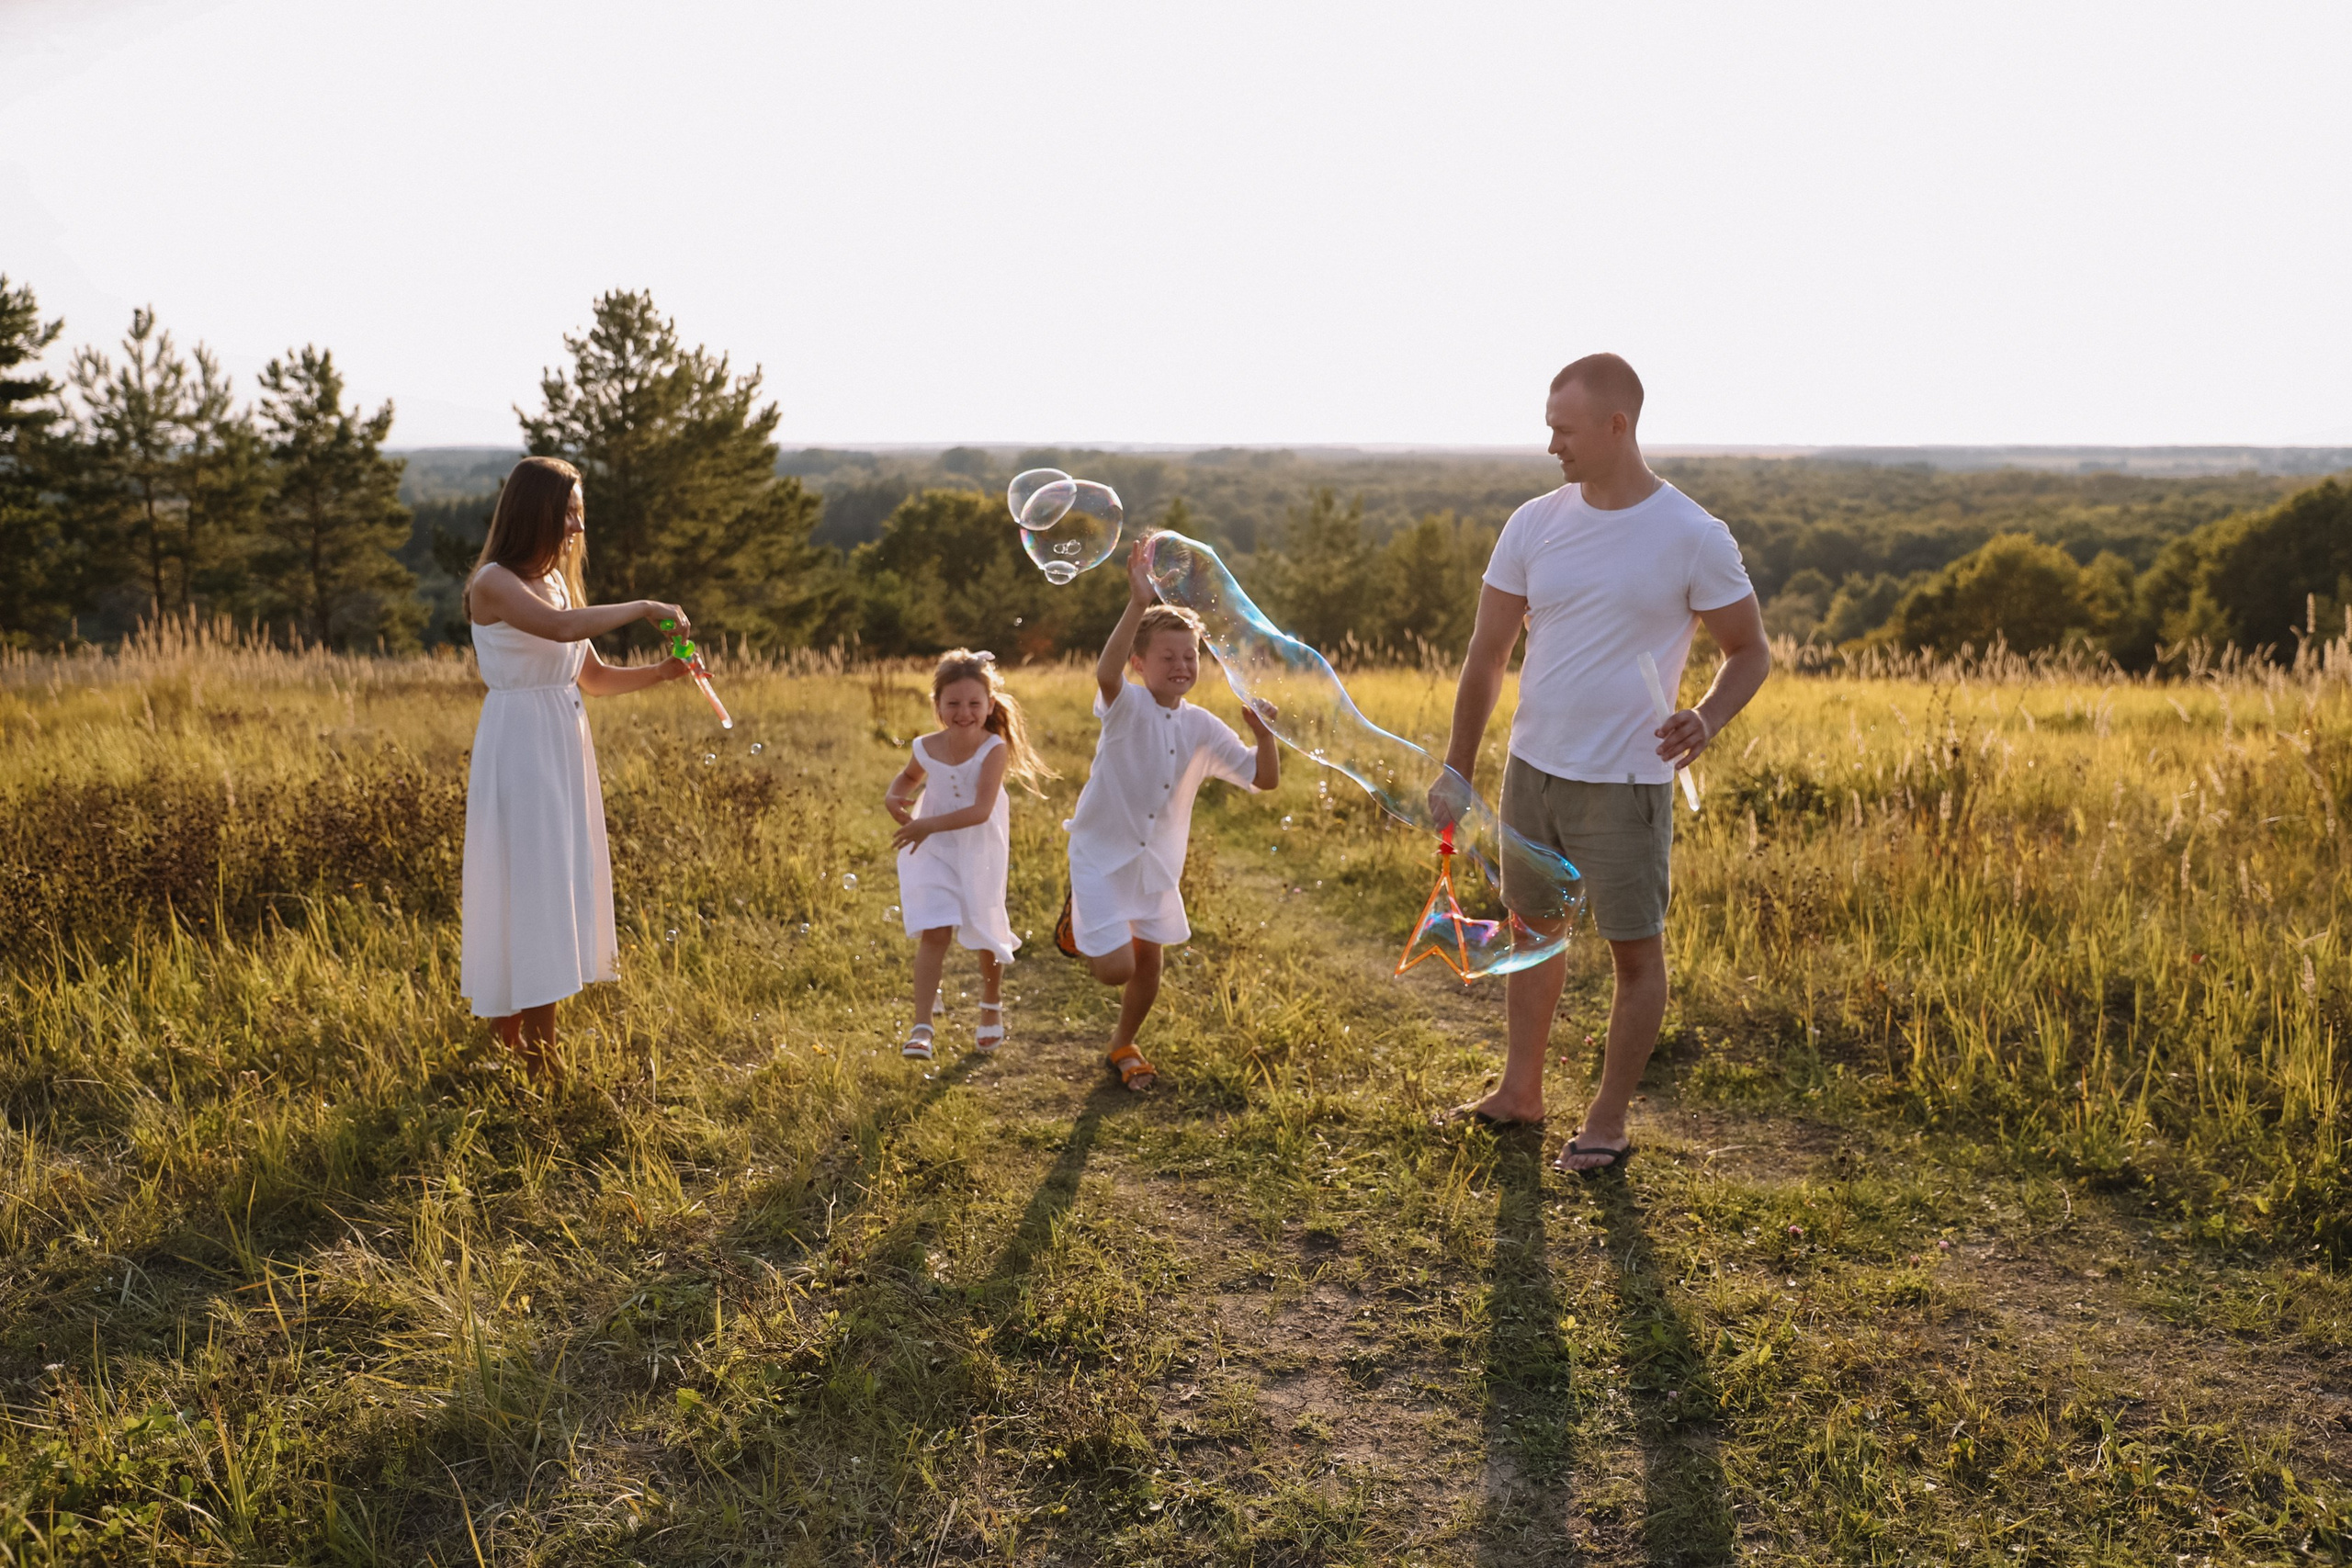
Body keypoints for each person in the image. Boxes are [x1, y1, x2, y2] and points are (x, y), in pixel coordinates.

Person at [1435, 354, 1770, 1172]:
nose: (1551, 444)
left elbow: (1749, 650)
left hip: (1627, 784)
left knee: (1634, 953)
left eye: (1564, 429)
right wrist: (1457, 767)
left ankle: (1608, 1120)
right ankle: (1521, 1092)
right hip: (1534, 770)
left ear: (1617, 426)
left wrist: (1709, 715)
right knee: (1533, 933)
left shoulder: (1693, 536)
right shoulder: (1533, 522)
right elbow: (1485, 654)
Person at [458, 456, 694, 1078]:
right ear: (532, 511)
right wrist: (645, 604)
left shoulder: (556, 582)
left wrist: (664, 672)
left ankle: (510, 1032)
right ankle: (540, 1057)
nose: (575, 528)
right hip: (519, 745)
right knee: (532, 887)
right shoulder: (493, 581)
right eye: (567, 514)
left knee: (554, 881)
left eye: (579, 514)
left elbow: (594, 678)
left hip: (563, 741)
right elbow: (561, 630)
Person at [1058, 538, 1281, 1090]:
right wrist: (1137, 602)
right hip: (1100, 853)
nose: (1182, 665)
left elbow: (1263, 778)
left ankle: (1123, 1043)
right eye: (1168, 656)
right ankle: (1079, 922)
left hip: (1157, 864)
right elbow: (1106, 675)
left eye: (1191, 657)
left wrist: (1265, 737)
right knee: (1117, 969)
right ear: (1141, 664)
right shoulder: (1125, 703)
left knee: (1149, 966)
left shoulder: (1202, 725)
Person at [885, 648, 1056, 1061]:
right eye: (954, 704)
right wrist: (895, 796)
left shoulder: (992, 748)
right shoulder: (926, 746)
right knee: (935, 930)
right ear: (938, 705)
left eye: (974, 704)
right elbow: (909, 777)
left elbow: (981, 811)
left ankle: (991, 1002)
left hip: (979, 846)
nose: (964, 713)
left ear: (990, 705)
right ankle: (921, 1026)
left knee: (984, 926)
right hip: (933, 849)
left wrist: (924, 824)